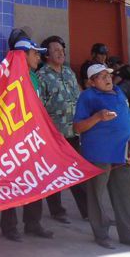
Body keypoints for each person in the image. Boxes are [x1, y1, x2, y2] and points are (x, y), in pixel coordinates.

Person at [73, 64, 130, 252]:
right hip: (98, 153)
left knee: (126, 196)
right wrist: (98, 117)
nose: (107, 78)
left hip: (123, 153)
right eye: (101, 76)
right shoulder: (87, 96)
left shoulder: (119, 92)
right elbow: (78, 127)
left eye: (108, 75)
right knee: (96, 196)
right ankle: (101, 234)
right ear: (92, 82)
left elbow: (128, 122)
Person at [0, 38, 54, 241]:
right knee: (12, 182)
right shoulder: (6, 76)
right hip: (14, 139)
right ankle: (9, 227)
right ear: (23, 55)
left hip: (34, 137)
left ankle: (33, 223)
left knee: (36, 179)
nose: (39, 57)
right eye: (35, 53)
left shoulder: (33, 76)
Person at [35, 35, 87, 222]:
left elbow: (78, 95)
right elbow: (39, 107)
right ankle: (57, 211)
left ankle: (88, 211)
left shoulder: (68, 72)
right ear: (46, 55)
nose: (61, 52)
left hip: (74, 131)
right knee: (54, 174)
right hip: (54, 134)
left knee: (76, 171)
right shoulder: (41, 76)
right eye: (56, 50)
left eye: (62, 49)